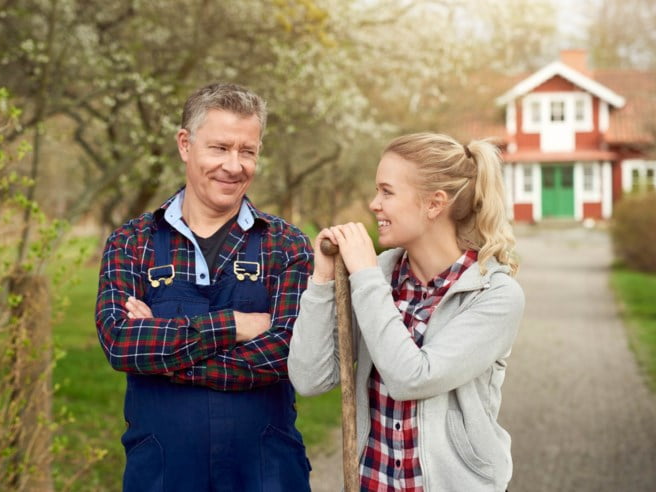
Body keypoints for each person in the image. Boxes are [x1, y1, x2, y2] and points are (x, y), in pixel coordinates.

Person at [95, 83, 313, 492]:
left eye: (247, 151)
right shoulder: (132, 242)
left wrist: (165, 358)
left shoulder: (286, 245)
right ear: (185, 144)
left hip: (267, 474)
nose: (234, 166)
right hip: (161, 474)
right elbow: (121, 342)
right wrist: (235, 325)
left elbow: (288, 353)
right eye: (220, 148)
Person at [288, 133, 525, 492]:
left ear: (434, 204)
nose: (373, 204)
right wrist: (322, 280)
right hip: (373, 483)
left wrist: (365, 277)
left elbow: (412, 378)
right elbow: (310, 378)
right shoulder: (379, 276)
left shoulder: (493, 295)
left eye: (387, 192)